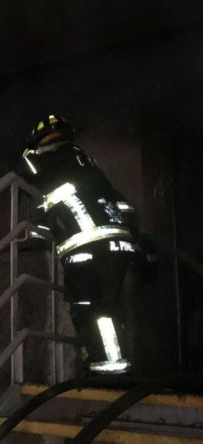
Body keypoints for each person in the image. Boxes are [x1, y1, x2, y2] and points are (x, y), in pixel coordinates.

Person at [17, 115, 139, 375]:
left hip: (86, 246)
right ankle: (116, 361)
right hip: (117, 243)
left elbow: (27, 173)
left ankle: (109, 367)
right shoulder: (84, 162)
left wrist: (27, 152)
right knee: (111, 304)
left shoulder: (45, 162)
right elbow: (120, 203)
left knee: (91, 306)